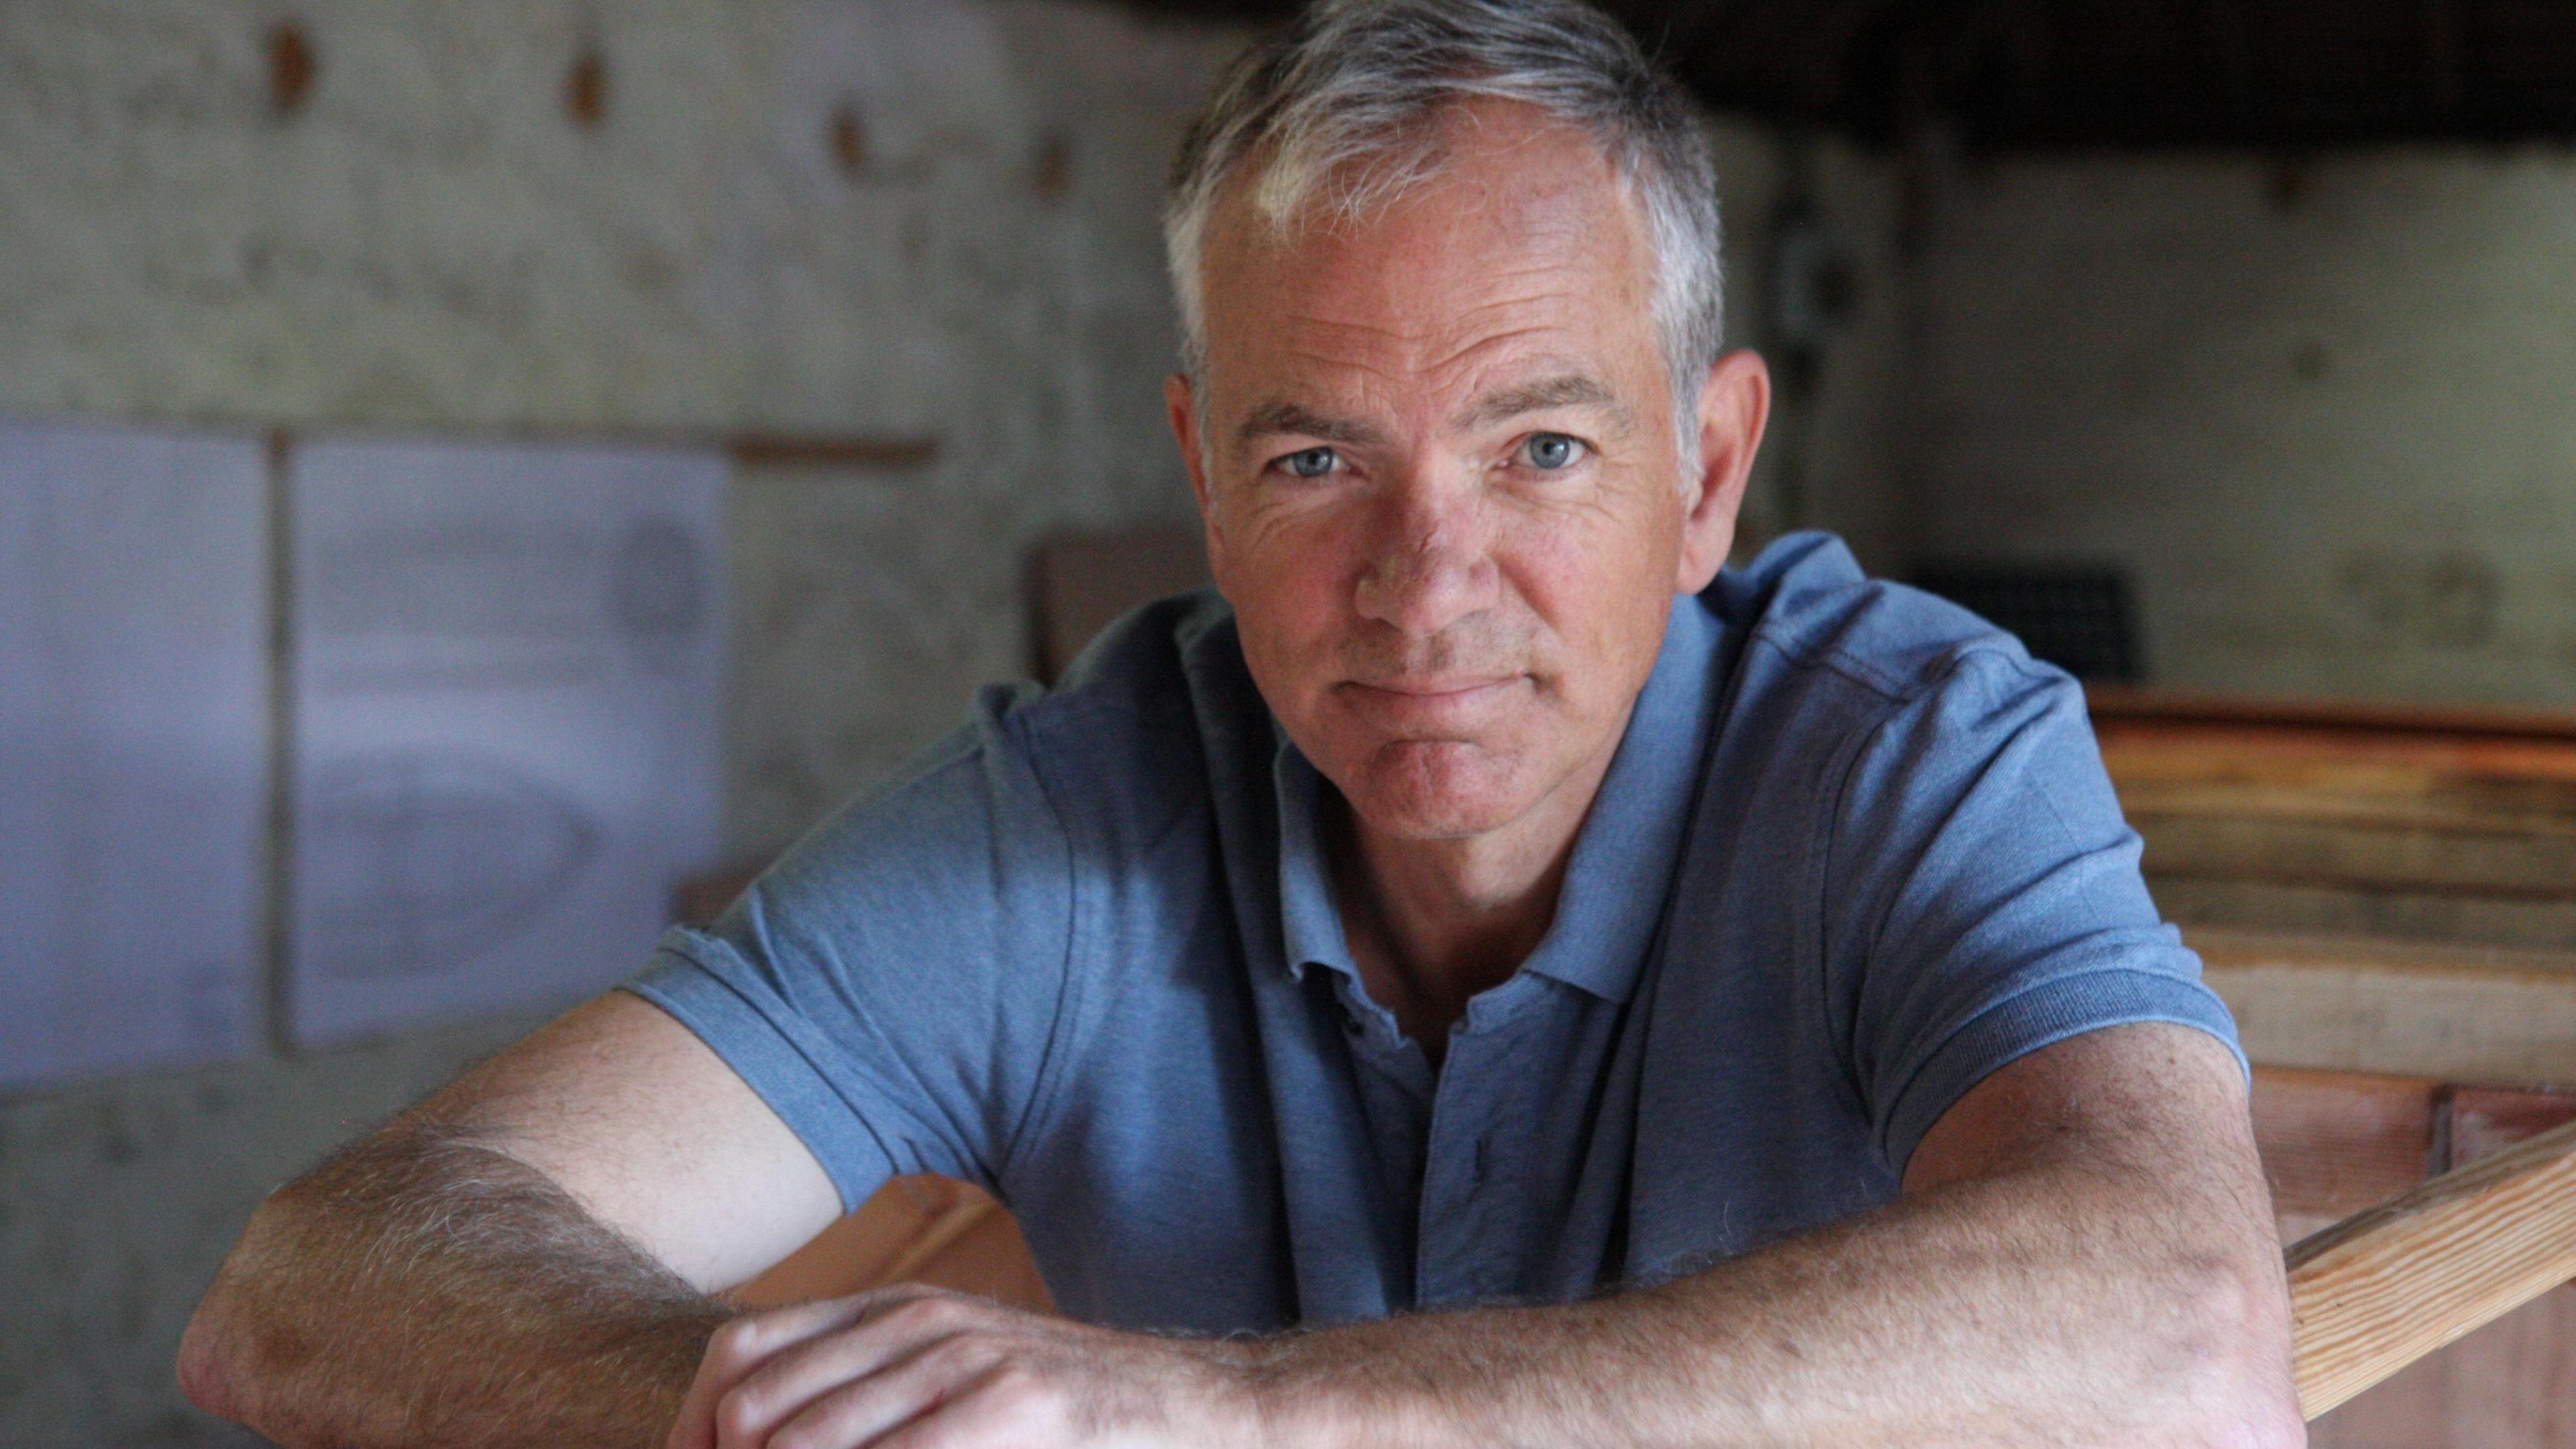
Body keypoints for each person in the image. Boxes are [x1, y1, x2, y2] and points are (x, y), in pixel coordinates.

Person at [178, 1, 2306, 1444]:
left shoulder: (1909, 751)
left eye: (1543, 452)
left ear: (1715, 473)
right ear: (1203, 473)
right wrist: (793, 1411)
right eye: (1315, 467)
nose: (1422, 580)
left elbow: (2188, 1317)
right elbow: (308, 1283)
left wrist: (1229, 1418)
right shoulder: (1073, 816)